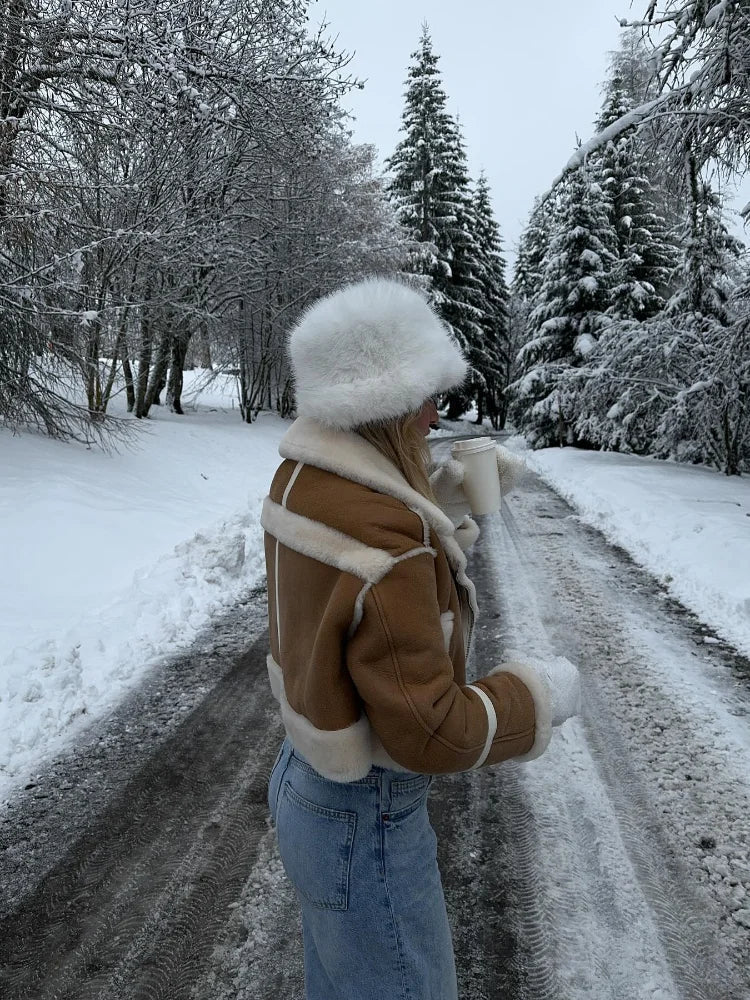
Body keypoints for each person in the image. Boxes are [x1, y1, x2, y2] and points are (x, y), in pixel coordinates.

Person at [262, 277, 581, 1000]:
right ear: (383, 406)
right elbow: (430, 733)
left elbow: (354, 542)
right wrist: (537, 697)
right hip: (365, 816)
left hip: (304, 784)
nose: (440, 412)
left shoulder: (298, 478)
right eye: (426, 397)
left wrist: (442, 495)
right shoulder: (394, 546)